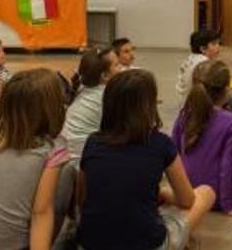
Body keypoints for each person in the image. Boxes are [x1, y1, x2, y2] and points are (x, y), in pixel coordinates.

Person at [78, 69, 216, 250]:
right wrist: (165, 194)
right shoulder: (161, 143)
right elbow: (187, 200)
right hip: (147, 243)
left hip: (90, 244)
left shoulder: (93, 142)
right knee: (206, 192)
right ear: (149, 105)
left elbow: (82, 199)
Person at [0, 69, 74, 250]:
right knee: (68, 173)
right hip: (10, 245)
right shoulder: (54, 149)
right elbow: (41, 212)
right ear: (53, 107)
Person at [172, 60, 232, 216]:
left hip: (187, 192)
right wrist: (228, 206)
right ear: (227, 90)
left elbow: (173, 154)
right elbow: (227, 166)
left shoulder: (184, 114)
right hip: (217, 197)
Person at [62, 47, 119, 157]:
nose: (122, 69)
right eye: (117, 65)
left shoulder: (83, 87)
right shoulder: (108, 95)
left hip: (70, 153)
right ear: (105, 76)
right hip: (83, 159)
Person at [175, 28, 222, 106]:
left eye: (218, 43)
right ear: (203, 49)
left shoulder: (189, 59)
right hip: (197, 106)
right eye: (214, 44)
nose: (218, 47)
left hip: (184, 104)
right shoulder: (205, 64)